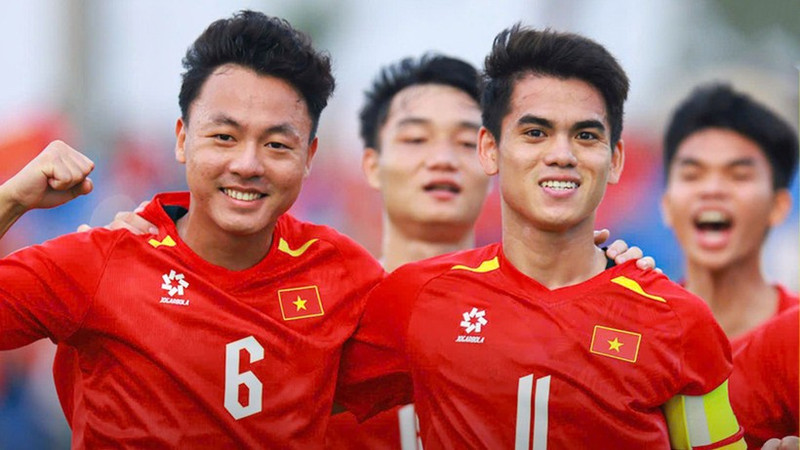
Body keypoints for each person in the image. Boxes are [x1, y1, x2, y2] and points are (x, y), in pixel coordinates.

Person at [102, 53, 656, 449]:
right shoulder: (329, 302)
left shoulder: (569, 308)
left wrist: (599, 279)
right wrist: (154, 244)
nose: (442, 159)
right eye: (415, 138)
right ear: (371, 163)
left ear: (492, 154)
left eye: (464, 139)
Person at [336, 25, 745, 448]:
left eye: (586, 136)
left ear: (615, 159)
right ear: (489, 150)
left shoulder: (677, 319)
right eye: (535, 133)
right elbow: (299, 408)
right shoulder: (416, 297)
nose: (561, 155)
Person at [0, 11, 386, 448]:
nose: (247, 164)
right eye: (224, 137)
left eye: (277, 144)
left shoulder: (342, 272)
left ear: (309, 156)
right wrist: (11, 198)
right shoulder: (103, 261)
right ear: (182, 139)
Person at [660, 83, 799, 448]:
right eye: (692, 174)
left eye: (739, 175)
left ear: (778, 206)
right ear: (667, 204)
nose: (712, 190)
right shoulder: (633, 333)